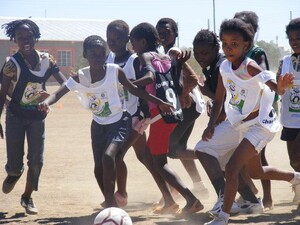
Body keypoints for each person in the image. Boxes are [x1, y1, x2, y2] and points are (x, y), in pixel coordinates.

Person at [38, 35, 173, 208]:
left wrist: (160, 103)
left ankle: (112, 204)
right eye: (92, 54)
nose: (97, 58)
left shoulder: (115, 70)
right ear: (85, 55)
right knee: (98, 169)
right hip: (98, 125)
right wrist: (46, 102)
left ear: (105, 54)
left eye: (101, 54)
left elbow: (135, 90)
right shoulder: (81, 76)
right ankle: (111, 202)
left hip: (119, 121)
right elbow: (58, 93)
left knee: (109, 156)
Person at [203, 18, 300, 225]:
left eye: (234, 44)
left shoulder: (250, 66)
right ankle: (297, 178)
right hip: (242, 124)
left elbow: (275, 87)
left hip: (260, 125)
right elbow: (219, 99)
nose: (229, 48)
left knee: (231, 167)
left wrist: (282, 86)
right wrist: (211, 125)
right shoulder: (224, 68)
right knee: (256, 172)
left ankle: (223, 217)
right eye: (225, 44)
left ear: (246, 45)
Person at [129, 22, 203, 217]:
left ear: (143, 41)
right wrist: (177, 66)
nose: (132, 46)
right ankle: (170, 201)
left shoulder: (144, 57)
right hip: (172, 114)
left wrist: (126, 84)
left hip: (160, 116)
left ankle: (191, 200)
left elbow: (149, 77)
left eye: (133, 42)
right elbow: (178, 89)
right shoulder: (167, 58)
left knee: (159, 161)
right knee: (150, 155)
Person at [0, 19, 66, 214]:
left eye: (29, 36)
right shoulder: (12, 65)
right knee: (15, 165)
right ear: (14, 40)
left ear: (35, 37)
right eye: (20, 37)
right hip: (15, 116)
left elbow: (64, 84)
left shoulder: (47, 60)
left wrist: (49, 98)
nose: (25, 40)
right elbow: (2, 94)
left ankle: (27, 197)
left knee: (37, 160)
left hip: (37, 116)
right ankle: (14, 173)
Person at [193, 29, 261, 216]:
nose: (200, 57)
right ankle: (250, 201)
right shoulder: (217, 65)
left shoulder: (222, 65)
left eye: (205, 53)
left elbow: (227, 98)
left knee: (203, 149)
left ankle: (224, 199)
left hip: (240, 120)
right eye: (197, 53)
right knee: (225, 162)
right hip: (240, 120)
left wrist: (205, 91)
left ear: (217, 48)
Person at [105, 19, 158, 207]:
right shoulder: (109, 58)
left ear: (127, 38)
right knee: (144, 156)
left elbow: (147, 84)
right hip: (118, 117)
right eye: (109, 38)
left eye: (117, 38)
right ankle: (169, 188)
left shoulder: (134, 60)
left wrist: (144, 114)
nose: (112, 42)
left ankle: (122, 194)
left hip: (135, 116)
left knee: (118, 155)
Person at [155, 18, 209, 199]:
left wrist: (182, 95)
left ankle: (213, 156)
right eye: (159, 32)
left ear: (175, 34)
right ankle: (199, 186)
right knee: (180, 147)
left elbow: (193, 79)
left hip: (188, 106)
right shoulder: (164, 52)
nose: (162, 35)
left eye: (167, 31)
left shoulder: (173, 52)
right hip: (190, 107)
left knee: (171, 149)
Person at [234, 10, 273, 209]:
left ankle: (267, 197)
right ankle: (251, 192)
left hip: (259, 114)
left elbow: (264, 74)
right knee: (240, 159)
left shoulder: (256, 53)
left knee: (259, 156)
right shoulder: (235, 53)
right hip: (242, 113)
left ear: (253, 31)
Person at [278, 18, 300, 203]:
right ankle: (298, 188)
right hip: (290, 119)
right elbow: (278, 90)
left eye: (299, 37)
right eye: (291, 38)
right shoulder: (284, 61)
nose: (295, 41)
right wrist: (282, 85)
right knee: (294, 160)